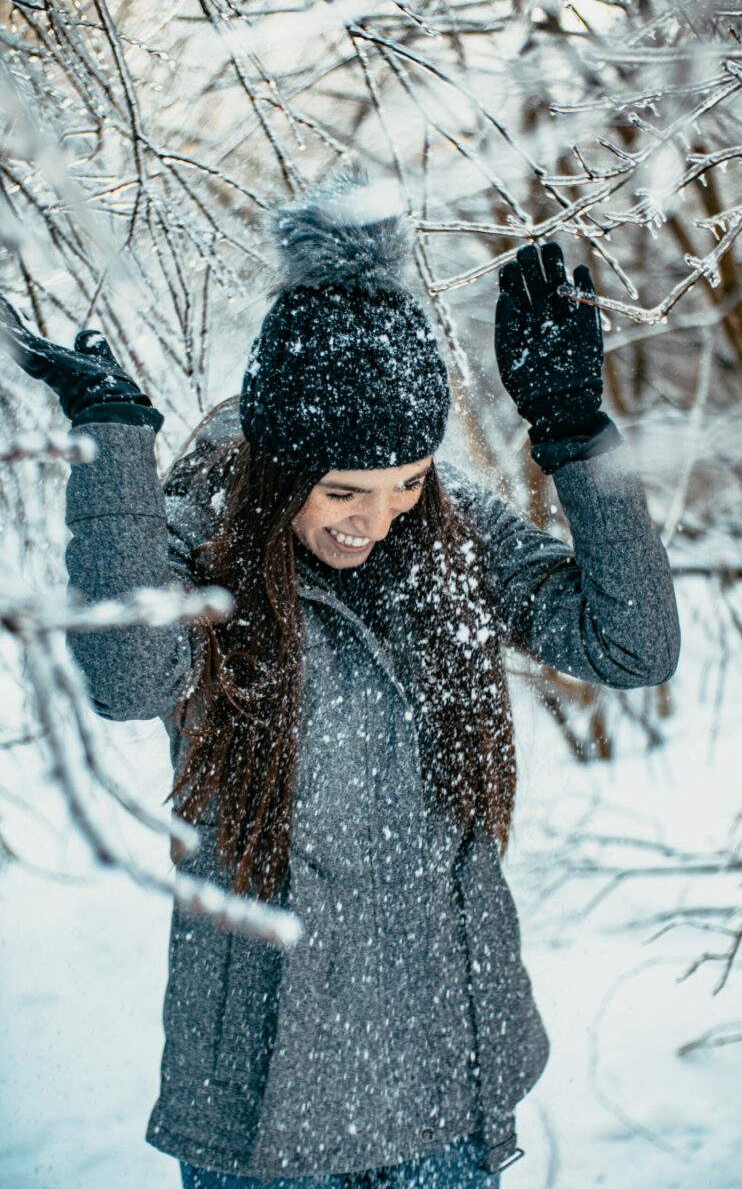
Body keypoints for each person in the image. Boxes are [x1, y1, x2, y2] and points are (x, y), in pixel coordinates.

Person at [0, 171, 680, 1188]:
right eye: (344, 491)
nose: (379, 517)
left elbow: (629, 648)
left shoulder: (453, 536)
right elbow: (130, 675)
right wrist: (112, 450)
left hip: (444, 1076)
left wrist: (575, 439)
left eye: (406, 481)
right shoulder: (197, 549)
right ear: (282, 470)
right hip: (267, 1092)